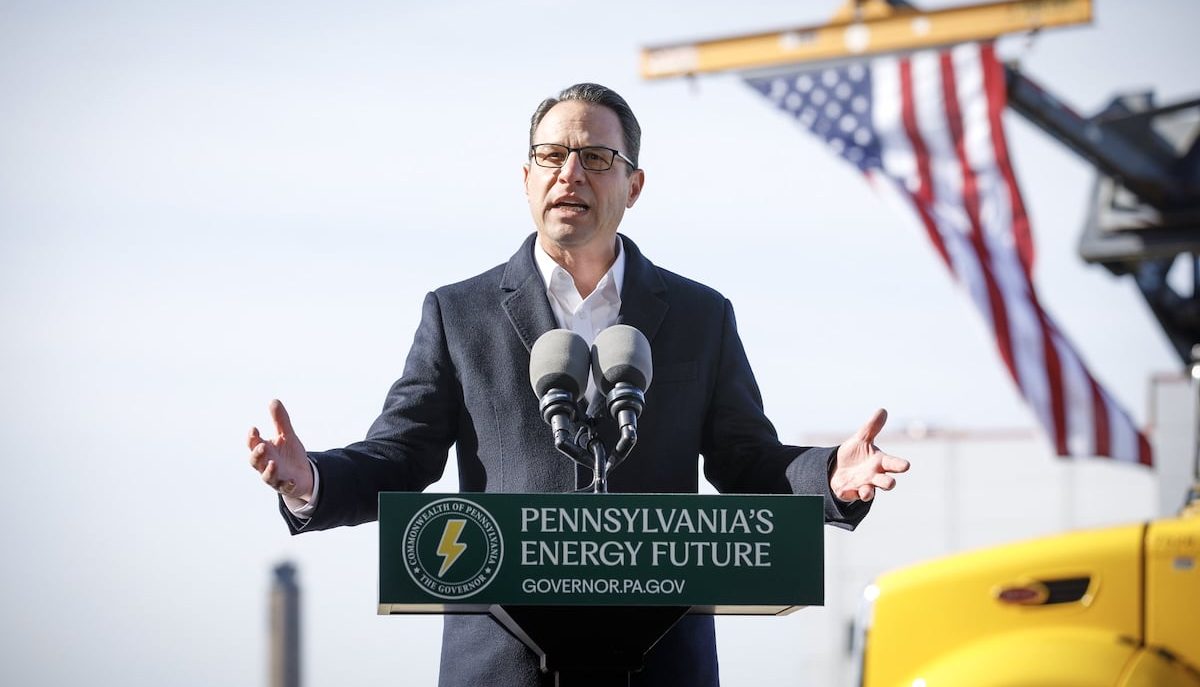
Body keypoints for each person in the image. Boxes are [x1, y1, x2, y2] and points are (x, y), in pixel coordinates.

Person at [246, 82, 909, 686]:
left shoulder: (701, 315)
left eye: (595, 157)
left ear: (634, 184)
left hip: (661, 661)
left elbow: (746, 461)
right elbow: (401, 454)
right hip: (502, 661)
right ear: (526, 178)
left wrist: (829, 476)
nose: (570, 173)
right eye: (551, 155)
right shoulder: (458, 314)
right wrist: (312, 481)